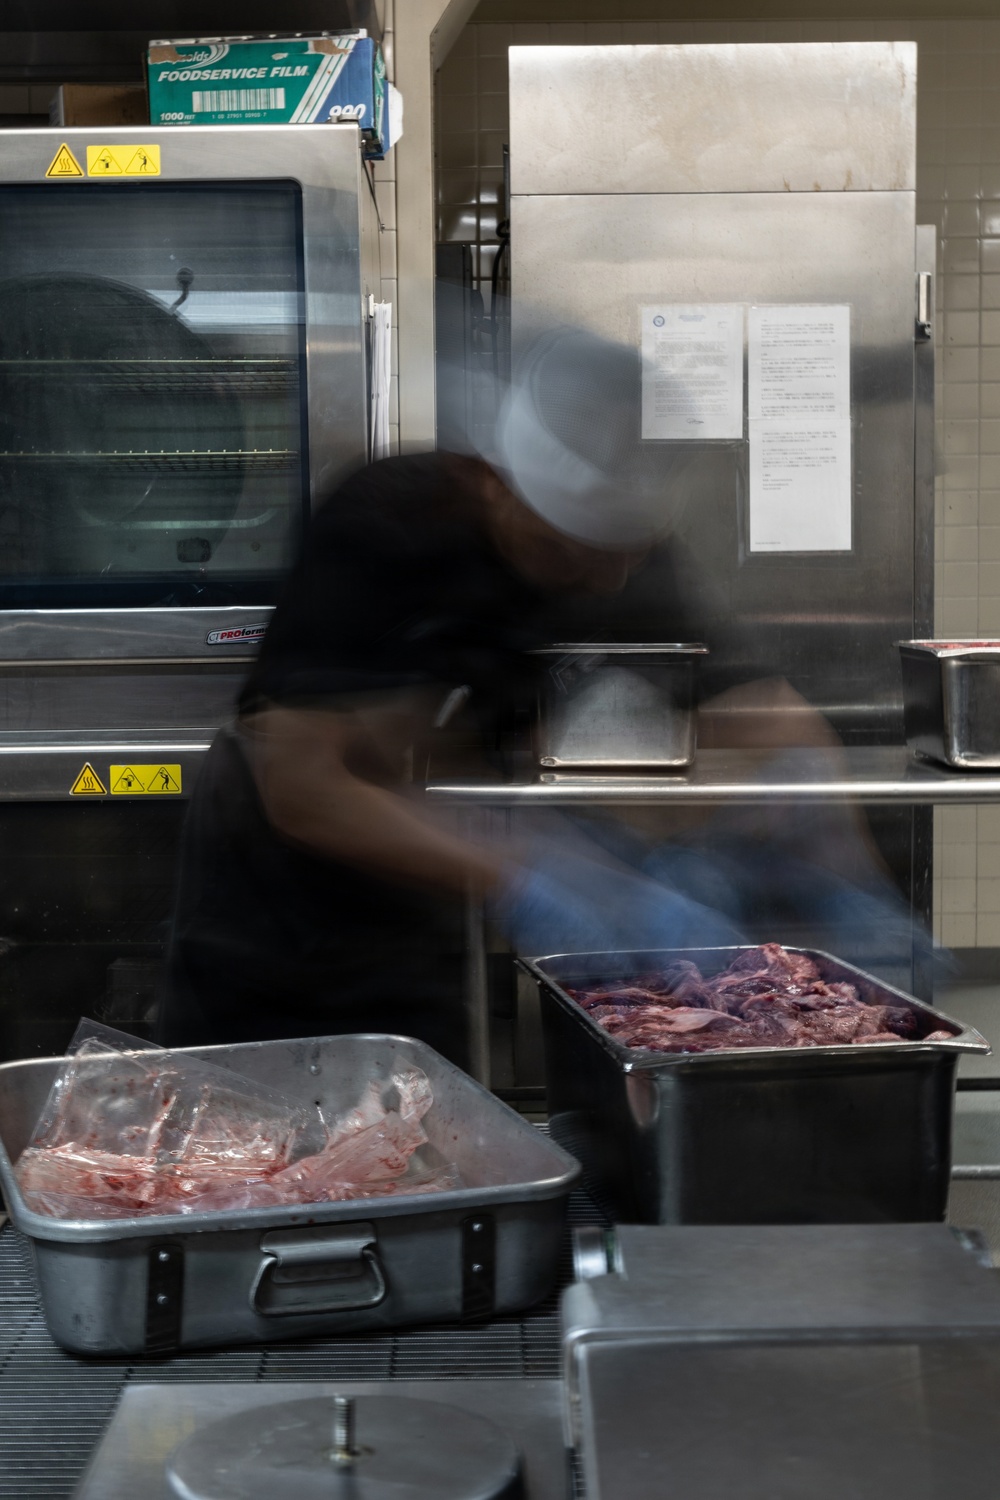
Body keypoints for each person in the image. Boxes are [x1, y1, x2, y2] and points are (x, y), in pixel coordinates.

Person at [157, 331, 745, 1063]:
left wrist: (829, 861)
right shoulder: (386, 524)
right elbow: (305, 786)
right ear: (498, 483)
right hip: (275, 913)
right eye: (576, 552)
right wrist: (532, 878)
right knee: (254, 1154)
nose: (611, 581)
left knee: (419, 1131)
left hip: (417, 914)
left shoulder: (617, 539)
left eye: (630, 553)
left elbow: (750, 706)